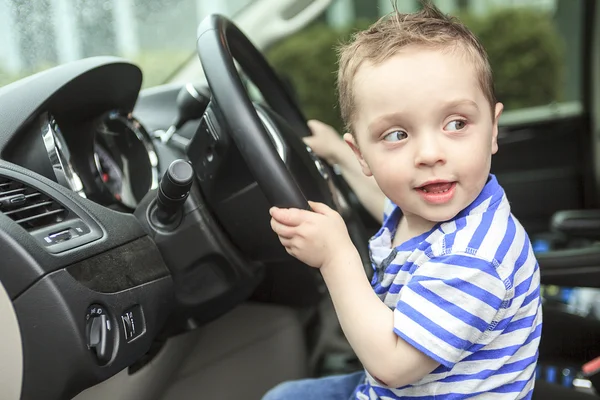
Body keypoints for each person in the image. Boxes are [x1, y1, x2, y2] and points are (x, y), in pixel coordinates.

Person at [265, 2, 542, 399]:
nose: (429, 153)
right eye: (396, 135)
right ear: (363, 155)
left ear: (493, 129)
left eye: (456, 124)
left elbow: (392, 365)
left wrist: (335, 255)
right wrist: (338, 157)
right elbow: (387, 209)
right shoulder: (430, 209)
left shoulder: (475, 257)